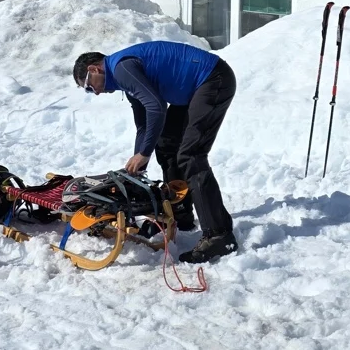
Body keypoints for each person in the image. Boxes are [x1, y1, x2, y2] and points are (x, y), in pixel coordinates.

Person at [73, 41, 238, 264]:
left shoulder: (121, 69)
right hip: (194, 88)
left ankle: (219, 235)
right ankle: (180, 213)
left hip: (212, 78)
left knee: (191, 155)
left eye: (89, 87)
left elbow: (157, 106)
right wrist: (138, 160)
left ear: (94, 69)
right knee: (166, 144)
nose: (96, 93)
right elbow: (144, 125)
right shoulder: (122, 76)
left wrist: (144, 153)